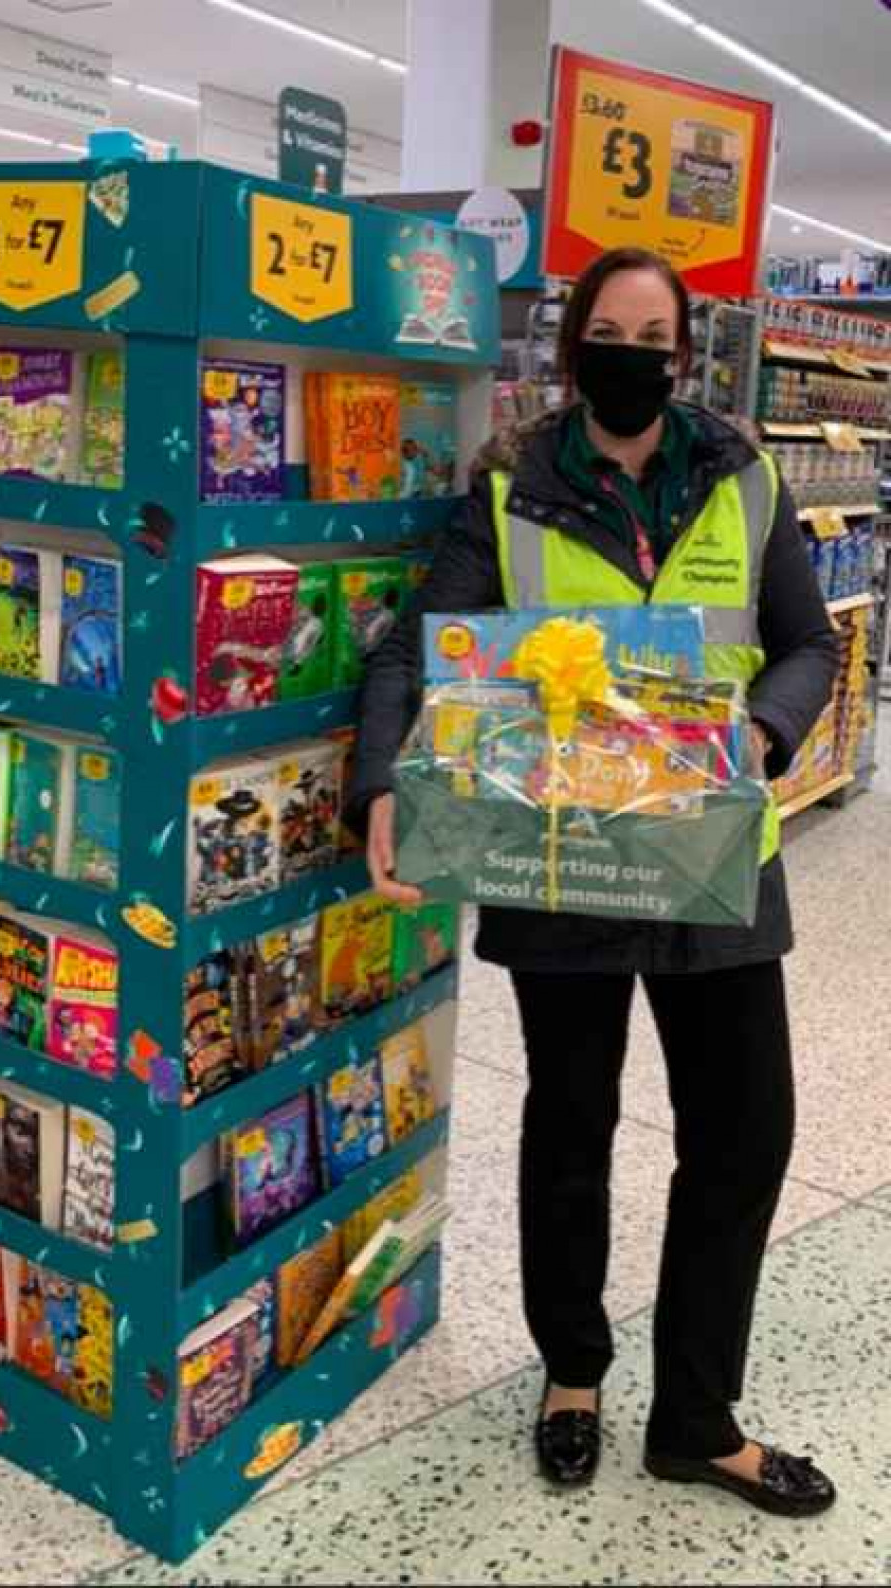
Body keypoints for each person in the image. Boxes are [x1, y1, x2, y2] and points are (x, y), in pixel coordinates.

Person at [349, 247, 840, 1517]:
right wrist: (385, 782)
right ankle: (572, 1372)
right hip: (559, 860)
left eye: (654, 335)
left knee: (744, 1137)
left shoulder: (744, 474)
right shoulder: (513, 482)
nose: (632, 353)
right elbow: (422, 643)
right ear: (573, 349)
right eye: (608, 332)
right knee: (569, 1130)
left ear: (682, 353)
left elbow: (807, 641)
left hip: (717, 855)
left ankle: (696, 1417)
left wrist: (768, 732)